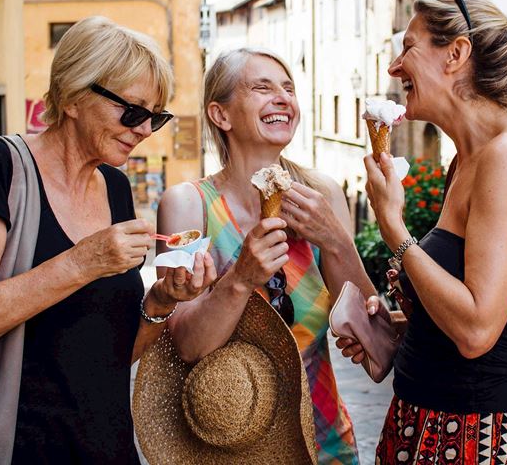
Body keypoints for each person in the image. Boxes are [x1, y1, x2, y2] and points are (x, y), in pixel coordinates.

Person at [0, 16, 216, 464]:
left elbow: (110, 356)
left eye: (156, 117)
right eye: (133, 111)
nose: (145, 130)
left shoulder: (114, 187)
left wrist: (162, 301)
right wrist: (80, 263)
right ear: (72, 97)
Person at [337, 0, 507, 464]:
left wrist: (393, 227)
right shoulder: (467, 160)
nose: (394, 67)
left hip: (477, 439)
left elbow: (477, 330)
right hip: (426, 425)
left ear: (456, 54)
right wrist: (399, 330)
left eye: (408, 47)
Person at [156, 47, 377, 464]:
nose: (283, 98)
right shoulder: (187, 207)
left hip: (324, 444)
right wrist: (240, 278)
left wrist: (336, 241)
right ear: (221, 116)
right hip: (224, 451)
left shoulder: (322, 195)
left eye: (289, 88)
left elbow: (372, 336)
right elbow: (182, 347)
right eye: (262, 87)